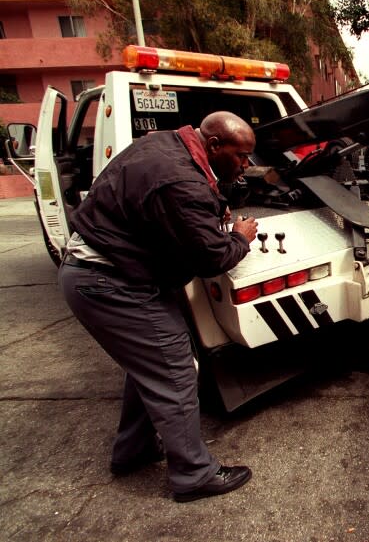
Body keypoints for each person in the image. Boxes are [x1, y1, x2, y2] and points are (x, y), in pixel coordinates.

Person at [58, 111, 259, 502]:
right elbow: (211, 258)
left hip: (98, 273)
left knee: (149, 366)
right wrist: (240, 237)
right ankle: (194, 475)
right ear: (214, 145)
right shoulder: (181, 180)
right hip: (111, 282)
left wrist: (211, 211)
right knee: (175, 372)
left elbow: (165, 210)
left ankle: (133, 451)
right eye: (241, 156)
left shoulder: (169, 143)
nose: (247, 165)